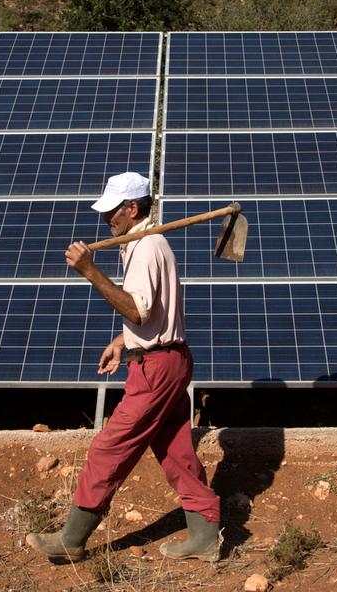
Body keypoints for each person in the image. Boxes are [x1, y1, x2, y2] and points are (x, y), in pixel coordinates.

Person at [25, 171, 221, 564]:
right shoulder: (142, 244)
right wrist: (122, 343)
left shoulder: (147, 248)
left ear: (132, 208)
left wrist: (90, 272)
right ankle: (204, 535)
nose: (106, 219)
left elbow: (138, 310)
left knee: (108, 448)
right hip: (168, 359)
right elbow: (154, 313)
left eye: (112, 211)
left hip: (156, 368)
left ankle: (72, 539)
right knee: (176, 450)